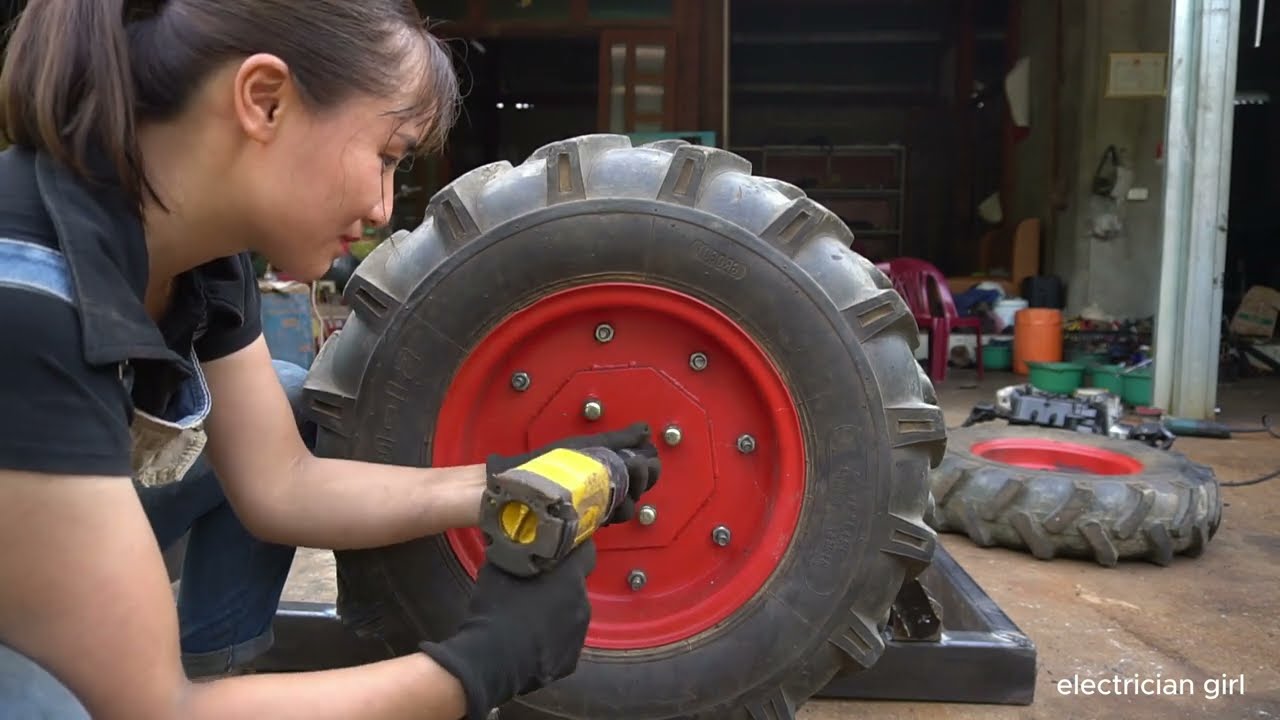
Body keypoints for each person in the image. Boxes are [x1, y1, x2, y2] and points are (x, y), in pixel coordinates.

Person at [0, 1, 661, 719]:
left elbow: (282, 483)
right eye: (386, 156)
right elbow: (155, 711)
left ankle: (227, 671)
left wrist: (505, 485)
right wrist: (478, 666)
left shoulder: (201, 261)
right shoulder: (29, 300)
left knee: (285, 393)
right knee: (56, 706)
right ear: (264, 100)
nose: (383, 207)